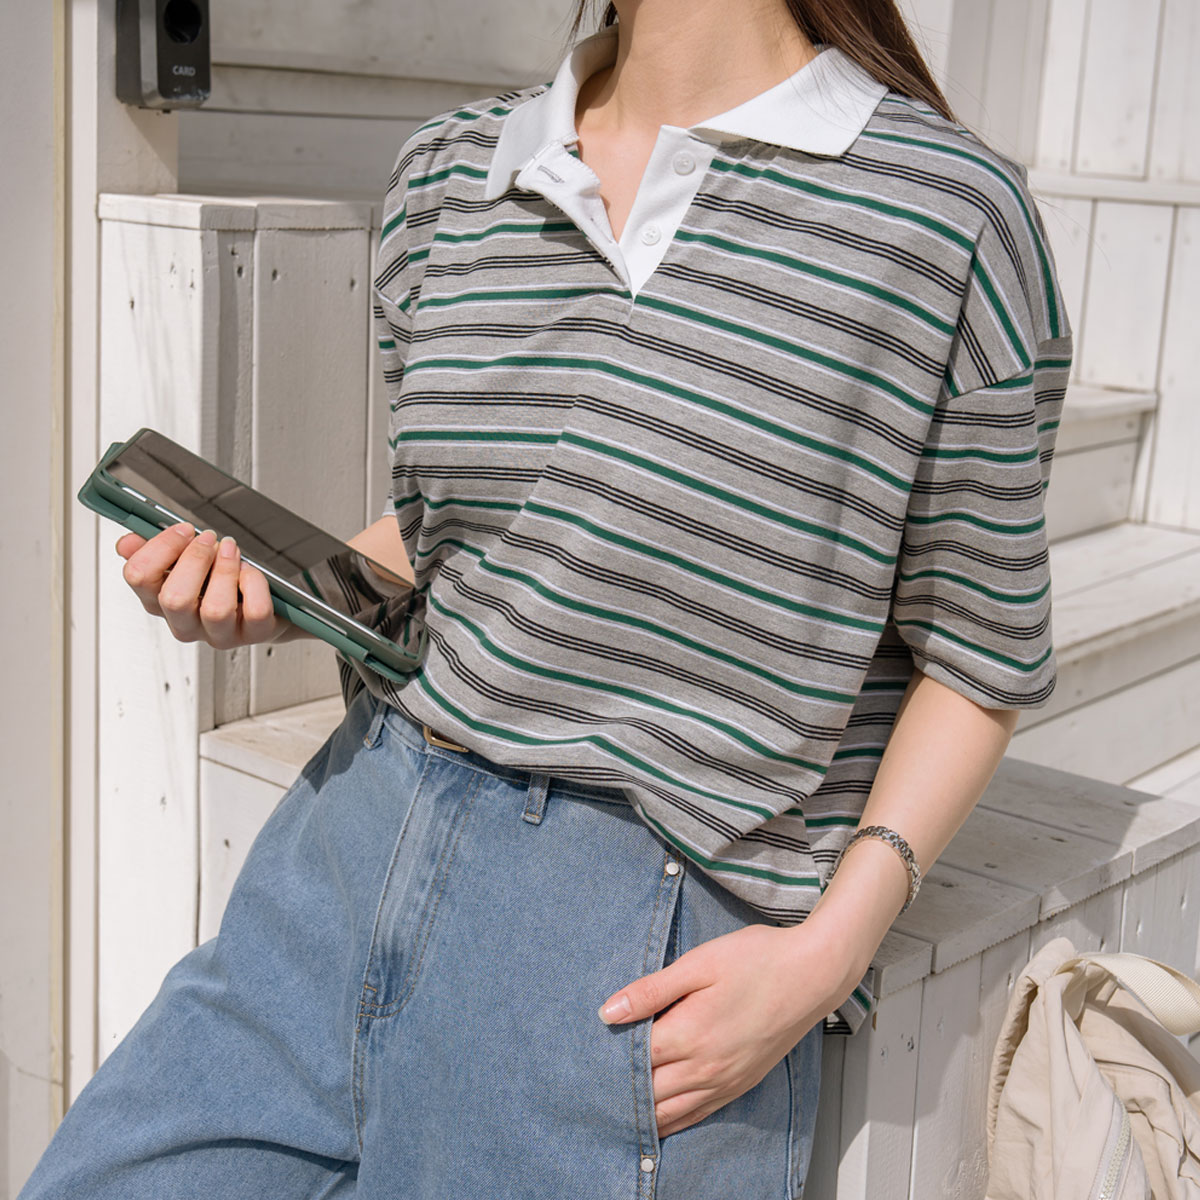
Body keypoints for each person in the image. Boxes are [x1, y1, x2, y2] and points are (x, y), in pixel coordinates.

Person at [21, 0, 1072, 1196]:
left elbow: (979, 651)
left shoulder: (944, 217)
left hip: (623, 954)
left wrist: (832, 953)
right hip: (343, 852)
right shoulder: (451, 176)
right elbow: (467, 531)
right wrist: (281, 589)